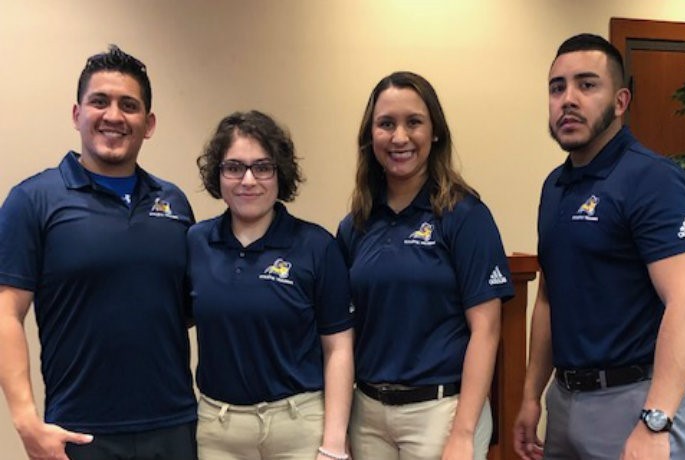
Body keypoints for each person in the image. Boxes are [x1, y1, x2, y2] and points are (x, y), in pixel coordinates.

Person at [0, 45, 197, 460]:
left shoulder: (174, 203)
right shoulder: (33, 200)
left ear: (148, 124)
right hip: (79, 434)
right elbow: (6, 312)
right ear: (77, 115)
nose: (113, 116)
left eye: (129, 105)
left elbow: (193, 307)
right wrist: (25, 420)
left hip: (174, 427)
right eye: (99, 101)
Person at [513, 33, 685, 460]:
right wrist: (531, 395)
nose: (568, 99)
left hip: (636, 401)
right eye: (557, 88)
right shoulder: (555, 187)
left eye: (587, 85)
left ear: (621, 101)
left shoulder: (652, 179)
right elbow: (549, 301)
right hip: (566, 401)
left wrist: (656, 420)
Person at [337, 71, 514, 460]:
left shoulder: (465, 216)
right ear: (370, 136)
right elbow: (343, 331)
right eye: (386, 124)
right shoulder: (355, 225)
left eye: (414, 122)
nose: (400, 137)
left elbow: (486, 329)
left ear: (435, 132)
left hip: (441, 412)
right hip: (368, 413)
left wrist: (463, 433)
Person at [189, 110, 354, 460]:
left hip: (299, 426)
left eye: (262, 167)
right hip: (219, 431)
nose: (248, 180)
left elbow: (338, 348)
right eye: (234, 167)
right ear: (217, 175)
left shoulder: (316, 246)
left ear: (280, 174)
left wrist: (334, 444)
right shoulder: (195, 243)